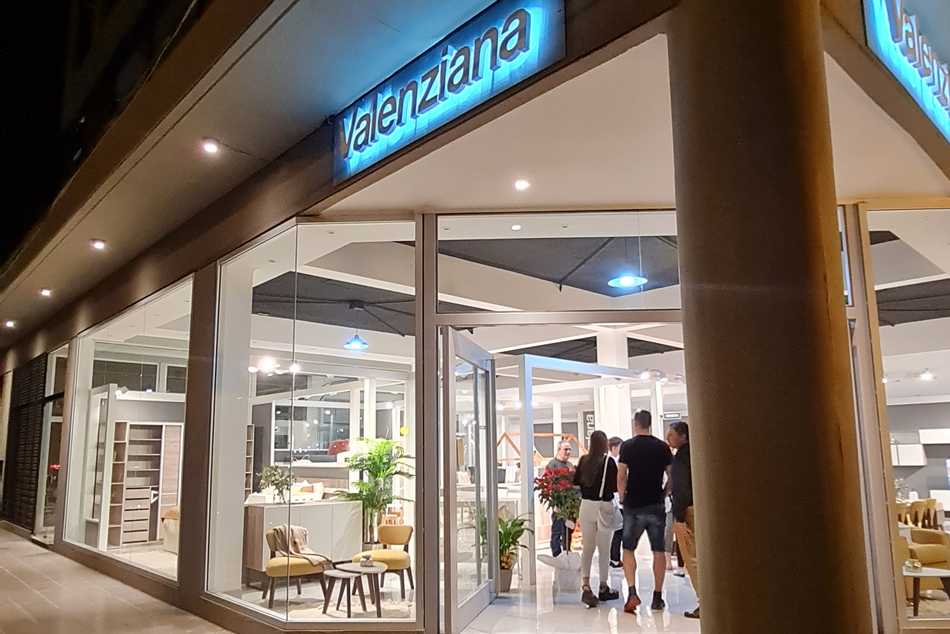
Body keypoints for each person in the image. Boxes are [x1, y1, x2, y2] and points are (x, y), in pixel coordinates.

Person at [617, 410, 672, 613]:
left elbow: (621, 475)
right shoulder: (662, 447)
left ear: (635, 424)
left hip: (633, 505)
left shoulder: (628, 446)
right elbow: (672, 475)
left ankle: (632, 592)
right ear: (650, 423)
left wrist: (622, 497)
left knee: (628, 549)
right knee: (658, 551)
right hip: (656, 504)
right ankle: (657, 597)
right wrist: (665, 492)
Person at [573, 431, 621, 607]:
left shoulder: (583, 460)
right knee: (604, 549)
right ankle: (603, 586)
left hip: (586, 506)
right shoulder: (608, 462)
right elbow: (615, 486)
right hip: (603, 507)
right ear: (604, 444)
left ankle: (585, 586)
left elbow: (576, 481)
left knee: (588, 548)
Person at [668, 421, 699, 619]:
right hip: (698, 507)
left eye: (671, 434)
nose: (668, 438)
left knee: (692, 557)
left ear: (683, 436)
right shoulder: (695, 453)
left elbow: (681, 488)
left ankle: (704, 601)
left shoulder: (680, 457)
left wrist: (679, 518)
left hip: (687, 511)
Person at [546, 440, 575, 556]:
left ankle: (567, 552)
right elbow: (548, 484)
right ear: (559, 450)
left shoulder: (570, 465)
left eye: (569, 449)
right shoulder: (552, 464)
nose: (568, 452)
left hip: (570, 504)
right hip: (558, 503)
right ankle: (556, 554)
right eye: (565, 449)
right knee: (557, 530)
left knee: (568, 530)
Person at [607, 436, 624, 568]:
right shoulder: (610, 462)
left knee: (620, 529)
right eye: (620, 447)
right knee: (619, 529)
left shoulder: (617, 460)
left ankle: (615, 558)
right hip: (615, 500)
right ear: (613, 448)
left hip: (618, 500)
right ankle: (615, 558)